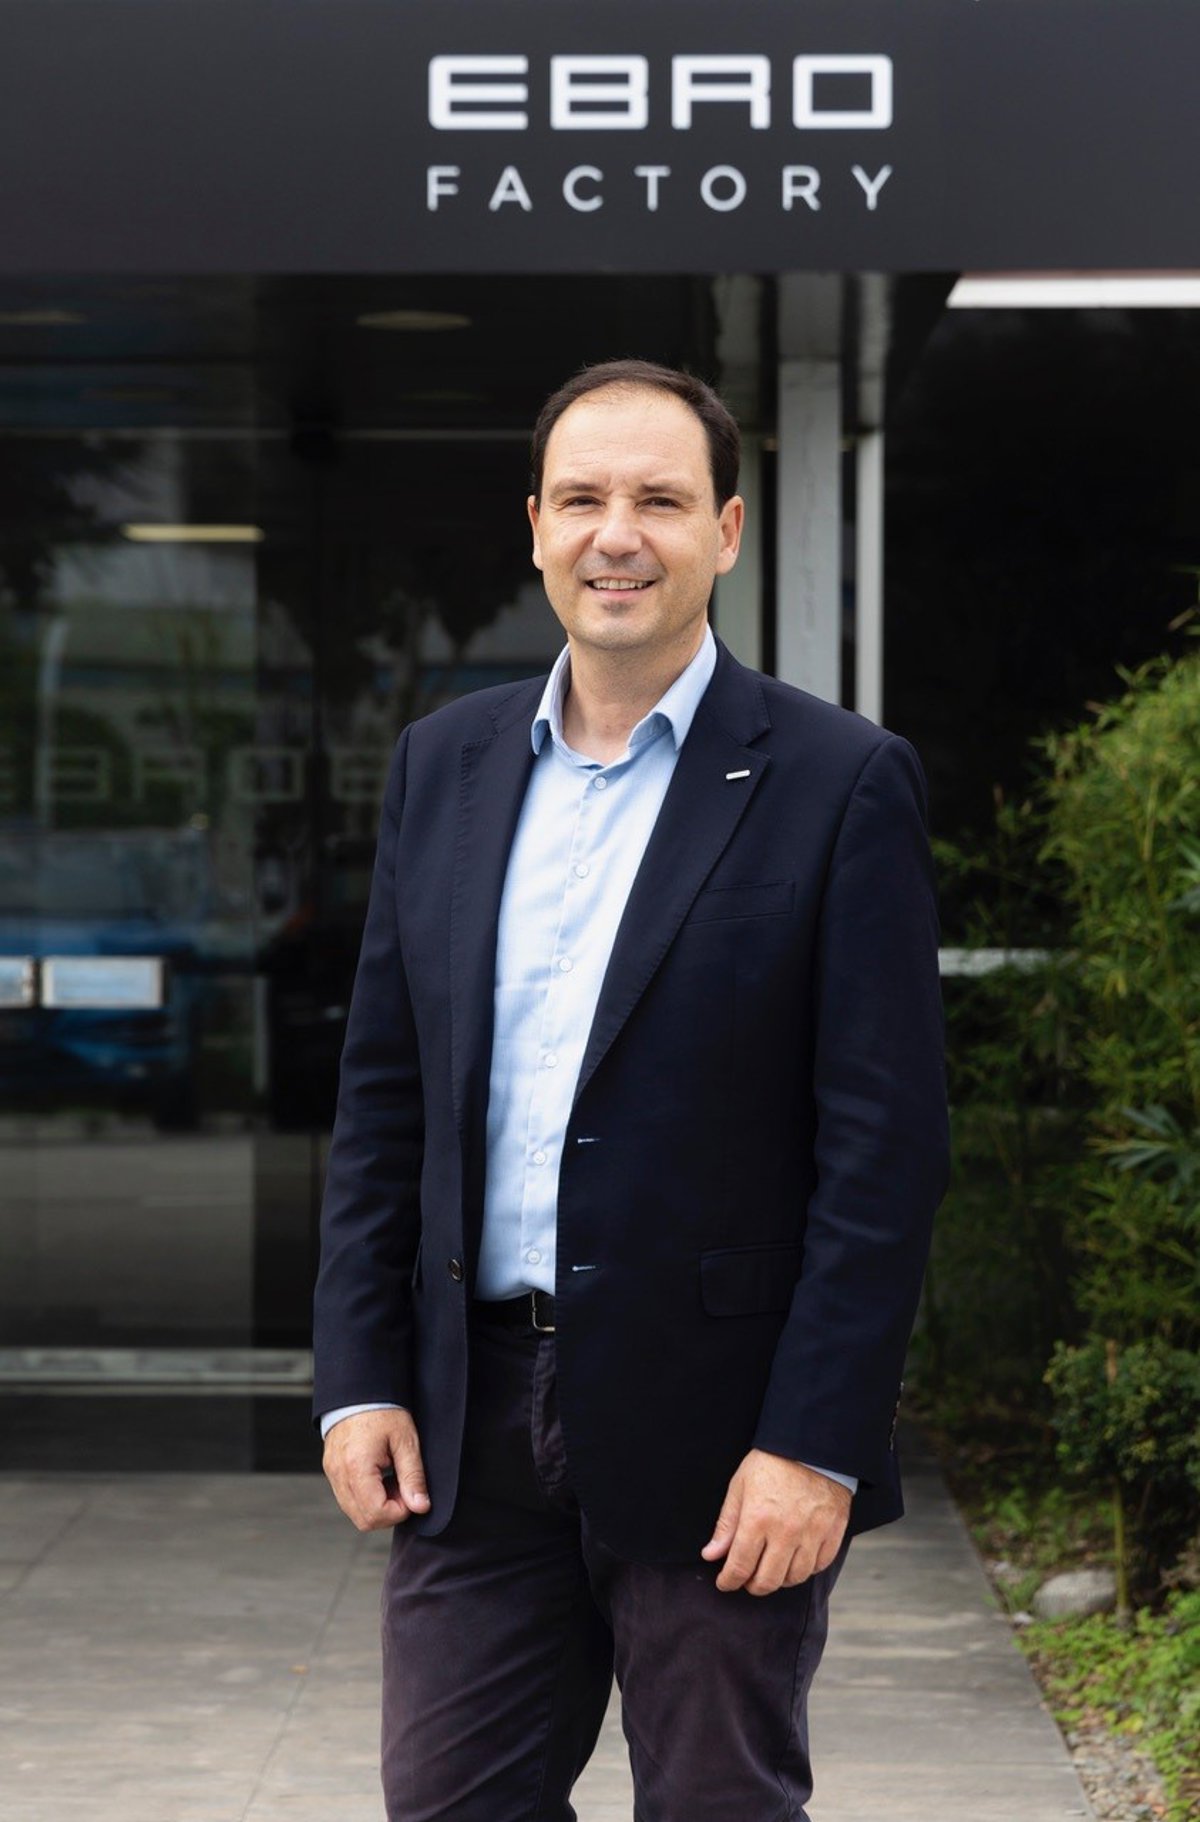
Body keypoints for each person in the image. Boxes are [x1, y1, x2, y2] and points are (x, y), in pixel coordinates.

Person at [313, 359, 949, 1822]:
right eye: (584, 498)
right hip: (472, 1420)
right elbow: (383, 1101)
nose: (618, 534)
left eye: (660, 500)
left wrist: (816, 1443)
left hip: (724, 1431)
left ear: (725, 531)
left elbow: (885, 1153)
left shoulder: (840, 779)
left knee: (719, 1803)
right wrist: (359, 1376)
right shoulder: (443, 765)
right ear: (535, 526)